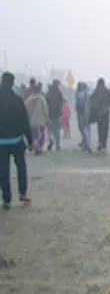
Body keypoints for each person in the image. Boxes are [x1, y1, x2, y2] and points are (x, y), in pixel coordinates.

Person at [0, 72, 32, 209]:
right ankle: (22, 193)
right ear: (13, 83)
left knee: (3, 171)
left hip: (1, 141)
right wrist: (30, 139)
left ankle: (6, 199)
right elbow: (25, 121)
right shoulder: (17, 100)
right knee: (21, 167)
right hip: (17, 140)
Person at [90, 78, 110, 153]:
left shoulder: (96, 91)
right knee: (104, 130)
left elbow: (92, 102)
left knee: (101, 130)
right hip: (105, 113)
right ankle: (103, 144)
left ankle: (101, 143)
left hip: (100, 113)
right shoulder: (107, 91)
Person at [24, 83, 50, 155]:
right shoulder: (42, 99)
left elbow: (26, 110)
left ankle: (35, 147)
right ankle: (39, 148)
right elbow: (45, 110)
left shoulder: (29, 99)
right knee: (41, 135)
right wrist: (47, 120)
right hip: (41, 120)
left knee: (34, 135)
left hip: (31, 121)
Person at [45, 80, 64, 151]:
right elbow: (61, 103)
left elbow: (46, 103)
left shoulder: (49, 93)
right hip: (57, 114)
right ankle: (58, 145)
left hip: (49, 114)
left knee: (49, 129)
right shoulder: (59, 93)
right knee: (57, 130)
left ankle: (50, 141)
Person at [75, 82, 92, 152]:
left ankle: (86, 143)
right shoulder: (87, 94)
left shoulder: (79, 94)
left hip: (81, 114)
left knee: (83, 129)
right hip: (86, 114)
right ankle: (86, 143)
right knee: (86, 129)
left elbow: (77, 105)